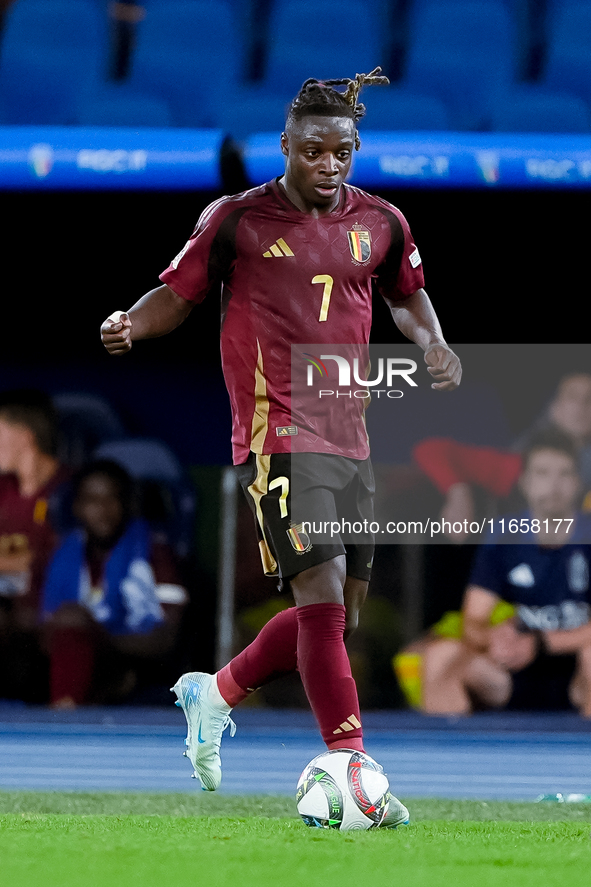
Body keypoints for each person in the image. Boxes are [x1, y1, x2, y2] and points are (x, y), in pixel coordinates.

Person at [100, 68, 461, 825]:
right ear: (287, 147)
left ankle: (217, 690)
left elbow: (406, 293)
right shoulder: (238, 219)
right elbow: (179, 293)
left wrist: (431, 340)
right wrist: (132, 322)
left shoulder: (383, 221)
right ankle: (354, 764)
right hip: (279, 429)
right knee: (322, 601)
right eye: (313, 152)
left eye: (341, 153)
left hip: (351, 431)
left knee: (341, 615)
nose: (328, 167)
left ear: (354, 149)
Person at [420, 429, 591, 716]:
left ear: (577, 483)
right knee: (440, 655)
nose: (554, 485)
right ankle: (453, 755)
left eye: (564, 474)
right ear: (525, 482)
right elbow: (474, 620)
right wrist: (495, 641)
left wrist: (541, 643)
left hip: (576, 673)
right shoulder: (503, 534)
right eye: (543, 473)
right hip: (511, 672)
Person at [42, 459, 188, 708]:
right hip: (74, 660)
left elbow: (169, 638)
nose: (102, 509)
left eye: (112, 499)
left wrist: (100, 639)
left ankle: (65, 718)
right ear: (77, 507)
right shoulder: (63, 555)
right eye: (92, 500)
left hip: (135, 665)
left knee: (74, 622)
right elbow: (46, 629)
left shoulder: (155, 553)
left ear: (128, 504)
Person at [413, 372, 591, 541]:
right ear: (554, 408)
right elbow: (431, 449)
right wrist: (458, 494)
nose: (581, 406)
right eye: (573, 397)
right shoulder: (517, 463)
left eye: (589, 399)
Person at [0, 389, 70, 701]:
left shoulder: (69, 491)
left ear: (24, 435)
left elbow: (52, 563)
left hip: (51, 612)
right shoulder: (3, 489)